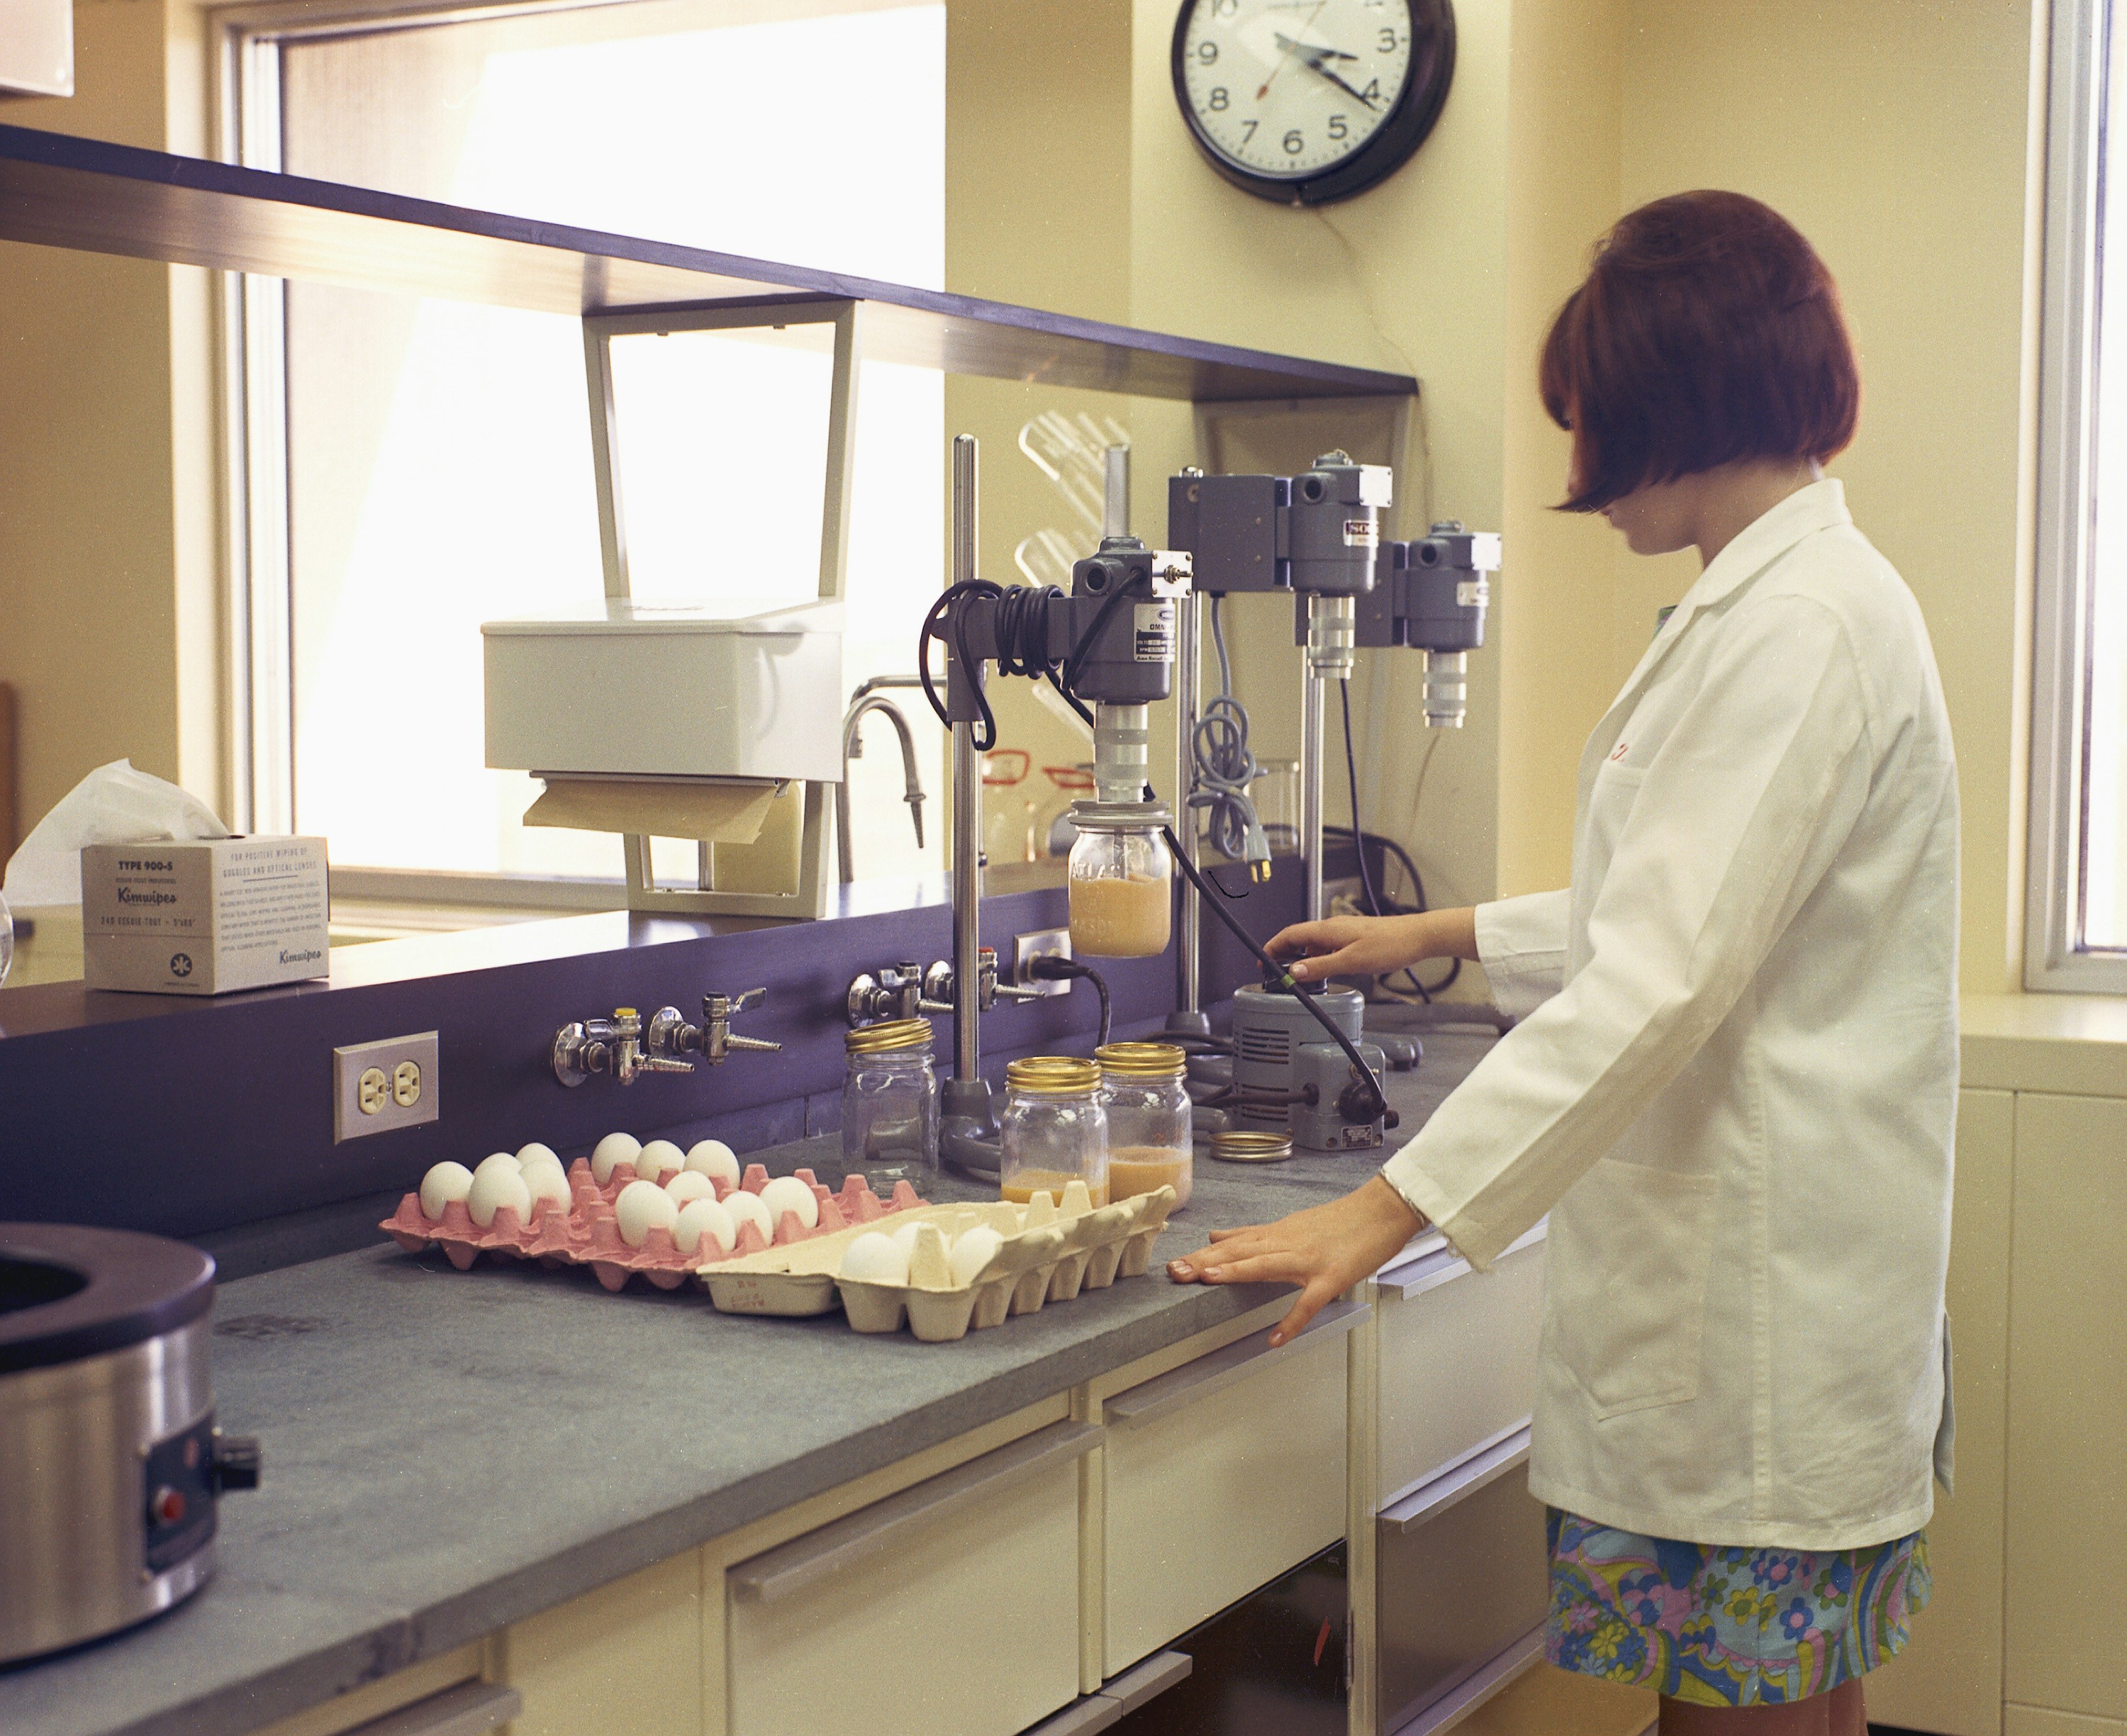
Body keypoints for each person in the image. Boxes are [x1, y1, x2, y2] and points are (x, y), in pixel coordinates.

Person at [1168, 190, 1957, 1735]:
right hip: (1778, 1282)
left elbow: (1660, 975)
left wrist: (1386, 1208)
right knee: (1745, 1701)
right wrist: (1446, 931)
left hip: (1765, 1307)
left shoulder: (1799, 625)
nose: (1577, 459)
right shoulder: (1782, 597)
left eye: (1591, 413)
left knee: (1755, 1712)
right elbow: (1694, 892)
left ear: (1685, 395)